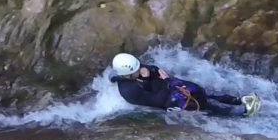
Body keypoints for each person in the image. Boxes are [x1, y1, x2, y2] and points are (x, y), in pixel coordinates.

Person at [110, 53, 259, 116]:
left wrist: (153, 72)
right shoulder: (130, 91)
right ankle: (242, 113)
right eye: (136, 69)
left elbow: (150, 68)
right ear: (127, 74)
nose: (140, 67)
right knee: (205, 106)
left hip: (169, 87)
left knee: (205, 93)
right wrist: (164, 80)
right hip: (169, 100)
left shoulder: (133, 70)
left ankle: (238, 101)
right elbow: (157, 100)